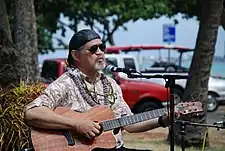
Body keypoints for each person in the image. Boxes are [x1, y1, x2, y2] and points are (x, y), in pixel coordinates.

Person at [24, 29, 169, 151]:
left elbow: (129, 123)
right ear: (76, 55)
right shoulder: (65, 83)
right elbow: (32, 112)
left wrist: (162, 120)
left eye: (102, 47)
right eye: (93, 49)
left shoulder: (111, 84)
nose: (100, 52)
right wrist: (76, 124)